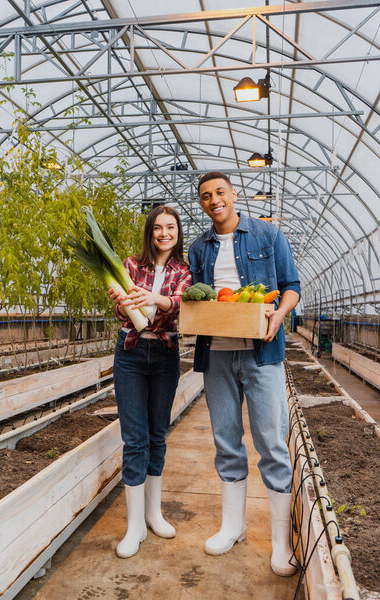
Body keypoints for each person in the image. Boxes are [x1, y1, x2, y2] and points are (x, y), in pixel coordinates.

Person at [188, 171, 300, 576]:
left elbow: (291, 286)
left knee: (271, 443)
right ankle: (232, 527)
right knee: (226, 441)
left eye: (219, 192)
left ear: (233, 194)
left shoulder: (268, 236)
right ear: (201, 203)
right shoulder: (198, 247)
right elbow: (197, 299)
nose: (213, 200)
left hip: (262, 354)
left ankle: (281, 543)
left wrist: (280, 316)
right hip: (216, 356)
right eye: (205, 196)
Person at [109, 205, 192, 559]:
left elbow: (182, 303)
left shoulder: (185, 270)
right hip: (129, 353)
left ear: (178, 232)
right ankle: (134, 526)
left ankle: (153, 513)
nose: (163, 233)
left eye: (170, 227)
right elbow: (122, 311)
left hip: (164, 354)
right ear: (150, 232)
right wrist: (121, 301)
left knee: (157, 435)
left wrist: (155, 299)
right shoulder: (130, 266)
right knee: (135, 439)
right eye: (157, 228)